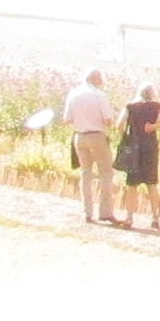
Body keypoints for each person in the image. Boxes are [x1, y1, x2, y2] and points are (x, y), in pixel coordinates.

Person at [63, 70, 119, 222]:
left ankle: (87, 212)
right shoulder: (99, 95)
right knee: (105, 173)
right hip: (97, 135)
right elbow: (108, 119)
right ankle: (105, 211)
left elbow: (67, 119)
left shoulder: (73, 94)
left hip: (79, 136)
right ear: (95, 79)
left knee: (85, 173)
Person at [116, 84, 160, 231]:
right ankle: (155, 218)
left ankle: (129, 217)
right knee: (151, 184)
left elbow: (119, 124)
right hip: (150, 148)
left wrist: (125, 137)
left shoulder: (131, 107)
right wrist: (157, 126)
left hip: (135, 148)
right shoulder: (156, 106)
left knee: (132, 184)